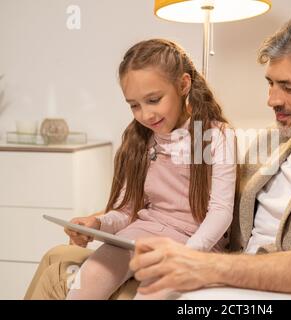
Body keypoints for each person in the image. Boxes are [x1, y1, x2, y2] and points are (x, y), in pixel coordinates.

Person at [25, 10, 291, 300]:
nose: (271, 100)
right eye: (270, 84)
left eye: (288, 88)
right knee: (60, 258)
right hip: (210, 269)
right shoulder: (272, 143)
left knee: (69, 272)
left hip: (247, 289)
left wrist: (198, 263)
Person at [30, 38, 237, 300]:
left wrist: (187, 255)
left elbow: (220, 213)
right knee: (86, 281)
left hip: (193, 244)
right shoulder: (140, 139)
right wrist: (99, 223)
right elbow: (128, 211)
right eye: (134, 105)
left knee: (151, 293)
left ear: (183, 85)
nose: (146, 115)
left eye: (154, 100)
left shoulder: (216, 136)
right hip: (140, 235)